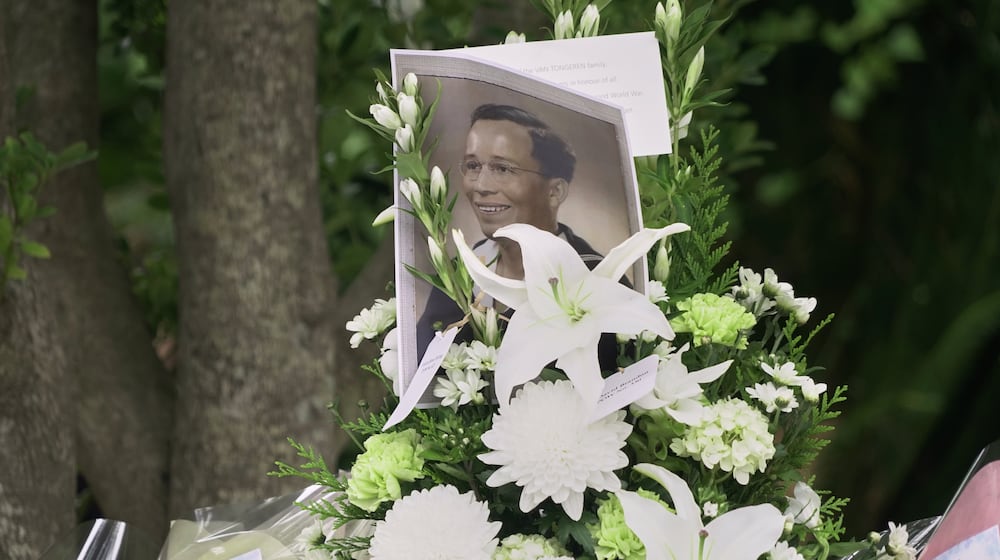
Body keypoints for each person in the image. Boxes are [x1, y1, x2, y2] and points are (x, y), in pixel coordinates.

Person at [415, 103, 614, 360]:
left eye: (503, 169)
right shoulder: (457, 277)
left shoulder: (598, 280)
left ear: (554, 192)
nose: (481, 186)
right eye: (473, 166)